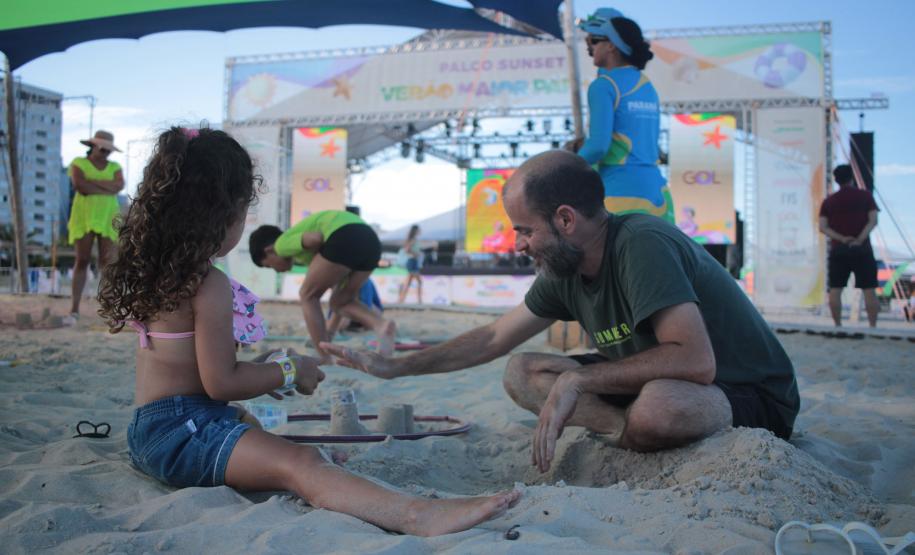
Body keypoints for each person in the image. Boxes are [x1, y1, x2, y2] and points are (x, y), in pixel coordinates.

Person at [96, 126, 519, 537]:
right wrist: (288, 369)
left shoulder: (164, 273)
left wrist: (260, 368)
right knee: (301, 464)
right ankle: (416, 516)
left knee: (256, 430)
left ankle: (313, 470)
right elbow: (220, 382)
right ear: (223, 212)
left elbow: (196, 370)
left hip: (152, 428)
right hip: (182, 434)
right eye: (245, 209)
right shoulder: (208, 283)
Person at [323, 150, 799, 473]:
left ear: (566, 220)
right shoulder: (564, 266)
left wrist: (581, 380)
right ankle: (622, 432)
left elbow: (696, 361)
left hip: (745, 393)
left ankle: (631, 428)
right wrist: (396, 368)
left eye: (524, 230)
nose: (518, 244)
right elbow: (494, 338)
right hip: (656, 380)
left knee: (659, 405)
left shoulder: (640, 243)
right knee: (521, 371)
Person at [566, 8, 674, 224]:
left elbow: (598, 146)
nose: (589, 46)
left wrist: (566, 166)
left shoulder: (603, 86)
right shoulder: (646, 85)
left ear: (611, 45)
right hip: (658, 195)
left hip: (620, 194)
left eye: (594, 41)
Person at [249, 210, 397, 361]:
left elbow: (315, 239)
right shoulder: (309, 254)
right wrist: (330, 333)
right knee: (341, 301)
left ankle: (323, 356)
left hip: (345, 234)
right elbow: (337, 297)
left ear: (269, 251)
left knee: (307, 296)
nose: (276, 270)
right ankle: (381, 325)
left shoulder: (281, 244)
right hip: (370, 241)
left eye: (270, 266)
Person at [66, 130, 125, 323]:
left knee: (107, 263)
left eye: (109, 149)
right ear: (93, 145)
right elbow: (80, 186)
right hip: (83, 214)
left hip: (108, 215)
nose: (106, 152)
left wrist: (92, 182)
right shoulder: (78, 162)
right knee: (82, 260)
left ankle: (108, 309)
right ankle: (74, 309)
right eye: (103, 148)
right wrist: (105, 186)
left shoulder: (115, 166)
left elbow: (119, 186)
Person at [818, 164, 880, 327]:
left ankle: (838, 325)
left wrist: (843, 238)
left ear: (836, 180)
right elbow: (873, 220)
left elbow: (823, 227)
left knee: (835, 289)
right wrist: (859, 239)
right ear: (851, 178)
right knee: (869, 289)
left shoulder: (829, 201)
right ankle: (873, 325)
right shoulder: (865, 196)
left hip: (839, 248)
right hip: (862, 248)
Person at [398, 224, 423, 304]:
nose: (420, 231)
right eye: (419, 230)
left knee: (408, 283)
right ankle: (419, 301)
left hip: (413, 261)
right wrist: (415, 254)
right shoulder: (413, 240)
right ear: (416, 231)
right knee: (419, 282)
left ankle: (401, 300)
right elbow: (407, 250)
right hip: (412, 261)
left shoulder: (413, 239)